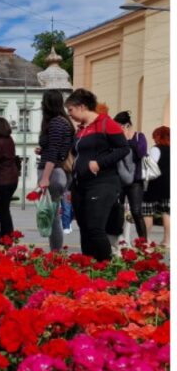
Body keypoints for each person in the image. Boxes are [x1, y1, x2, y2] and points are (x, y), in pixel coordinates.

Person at [65, 88, 129, 261]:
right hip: (80, 186)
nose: (69, 115)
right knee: (85, 229)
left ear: (82, 106)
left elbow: (124, 148)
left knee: (95, 228)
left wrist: (100, 163)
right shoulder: (81, 129)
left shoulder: (106, 123)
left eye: (70, 110)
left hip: (102, 183)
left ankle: (106, 268)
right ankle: (89, 268)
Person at [37, 89, 75, 252]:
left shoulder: (55, 123)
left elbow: (54, 153)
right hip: (58, 171)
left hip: (54, 172)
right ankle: (55, 251)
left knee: (52, 217)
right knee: (54, 215)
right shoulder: (64, 122)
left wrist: (45, 177)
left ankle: (56, 252)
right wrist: (43, 149)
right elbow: (57, 148)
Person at [109, 111, 148, 243]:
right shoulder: (116, 139)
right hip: (118, 180)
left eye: (118, 126)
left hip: (135, 181)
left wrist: (127, 140)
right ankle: (117, 242)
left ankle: (143, 242)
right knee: (117, 211)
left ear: (126, 126)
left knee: (136, 212)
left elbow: (141, 153)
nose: (116, 129)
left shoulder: (139, 137)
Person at [142, 126, 169, 247]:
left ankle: (145, 241)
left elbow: (151, 166)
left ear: (158, 136)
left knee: (148, 211)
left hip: (155, 183)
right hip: (170, 185)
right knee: (167, 213)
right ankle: (167, 241)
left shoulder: (156, 149)